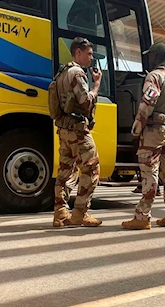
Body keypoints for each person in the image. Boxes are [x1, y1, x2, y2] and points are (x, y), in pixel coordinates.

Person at [122, 42, 165, 230]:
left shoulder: (154, 76)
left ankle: (142, 216)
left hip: (152, 131)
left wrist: (136, 128)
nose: (148, 59)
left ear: (158, 56)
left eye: (150, 56)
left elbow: (147, 103)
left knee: (149, 174)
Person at [51, 37, 103, 228]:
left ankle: (60, 213)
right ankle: (80, 212)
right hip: (78, 131)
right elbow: (85, 102)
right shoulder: (77, 74)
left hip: (63, 131)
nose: (91, 58)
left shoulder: (61, 73)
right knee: (92, 169)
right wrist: (96, 85)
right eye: (89, 54)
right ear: (78, 53)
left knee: (65, 172)